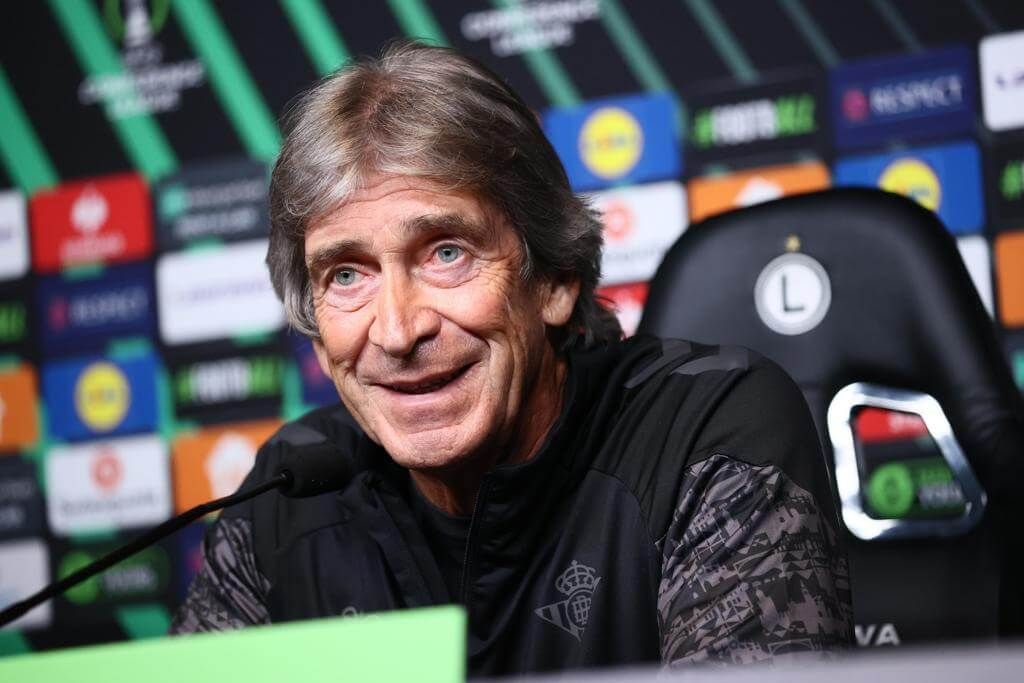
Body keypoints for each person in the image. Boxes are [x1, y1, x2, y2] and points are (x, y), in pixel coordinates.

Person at [171, 41, 852, 675]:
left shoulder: (709, 431)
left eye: (447, 253)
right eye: (347, 275)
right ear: (318, 332)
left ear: (555, 279)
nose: (397, 329)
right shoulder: (291, 495)